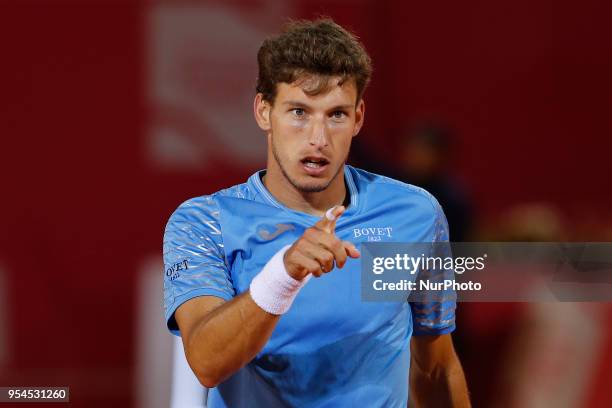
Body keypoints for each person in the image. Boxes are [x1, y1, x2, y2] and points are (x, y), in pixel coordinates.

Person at [163, 18, 470, 407]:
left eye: (336, 115)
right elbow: (206, 362)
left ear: (358, 118)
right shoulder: (204, 222)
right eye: (298, 112)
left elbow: (435, 368)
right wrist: (283, 275)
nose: (318, 139)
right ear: (263, 111)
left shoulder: (414, 214)